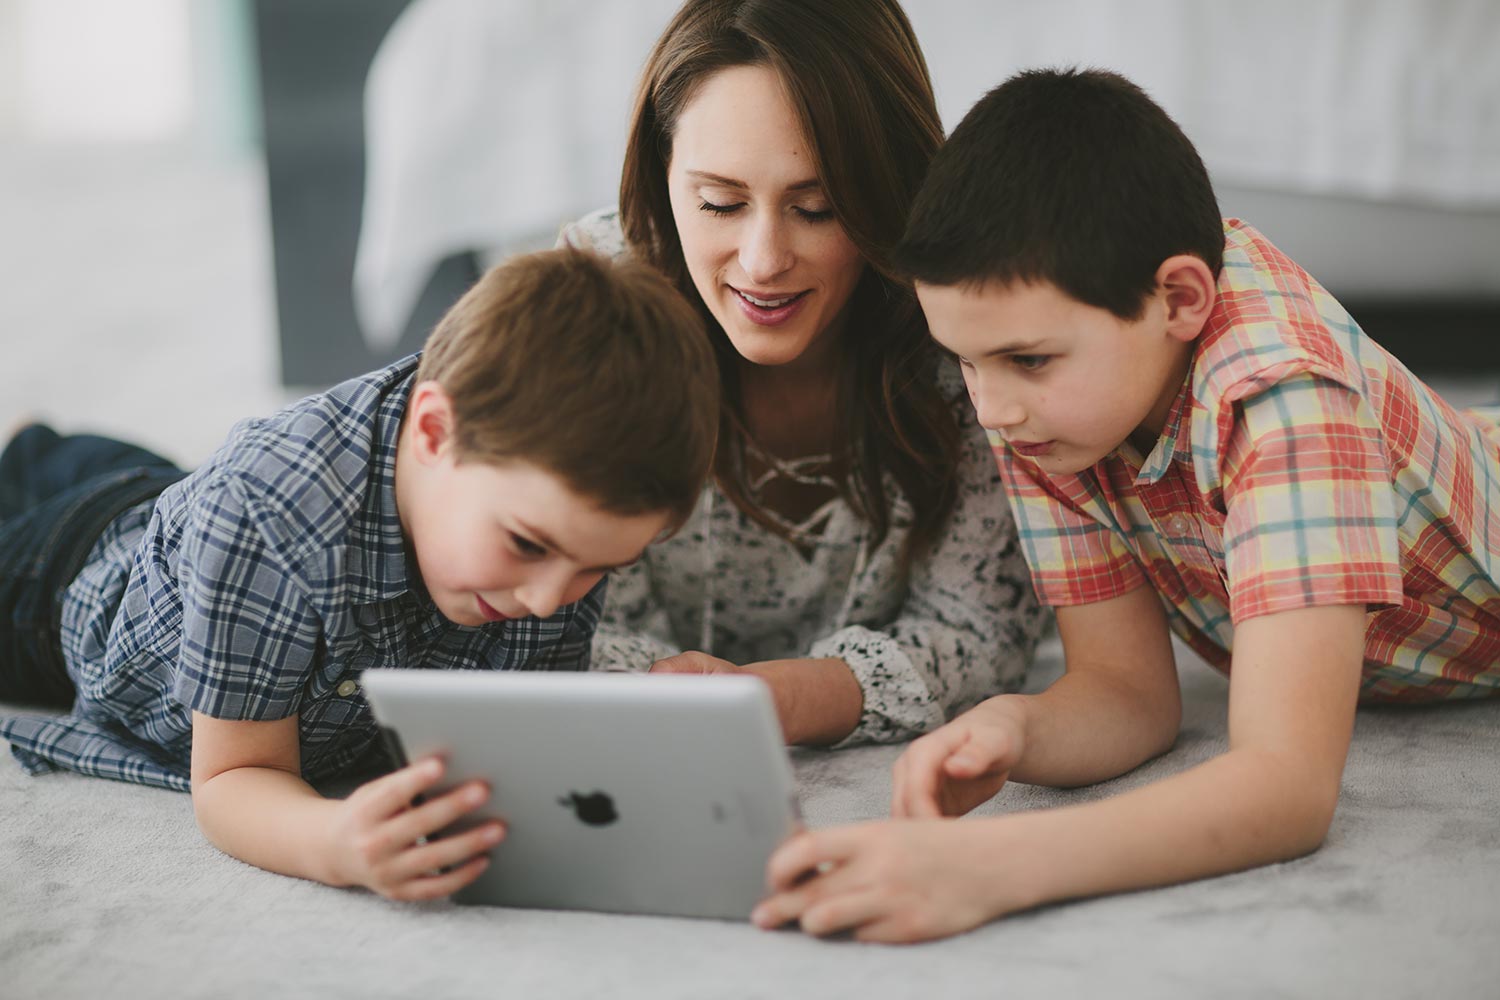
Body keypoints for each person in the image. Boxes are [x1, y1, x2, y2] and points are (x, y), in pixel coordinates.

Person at [752, 68, 1500, 942]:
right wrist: (1015, 724)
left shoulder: (1289, 402)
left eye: (1028, 360)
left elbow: (1287, 790)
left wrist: (992, 868)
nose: (990, 410)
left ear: (1180, 299)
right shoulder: (1047, 408)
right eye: (966, 360)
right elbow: (1127, 691)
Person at [0, 247, 719, 900]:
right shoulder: (267, 511)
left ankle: (33, 444)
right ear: (435, 433)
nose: (547, 599)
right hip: (68, 580)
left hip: (183, 512)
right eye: (527, 546)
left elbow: (517, 730)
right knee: (126, 502)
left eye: (599, 569)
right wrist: (332, 842)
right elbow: (230, 780)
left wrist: (633, 733)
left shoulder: (553, 532)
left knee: (136, 480)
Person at [561, 0, 1045, 748]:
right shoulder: (590, 306)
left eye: (815, 208)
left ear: (887, 196)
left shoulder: (965, 326)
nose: (763, 261)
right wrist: (680, 700)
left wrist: (787, 698)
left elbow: (981, 627)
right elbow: (548, 617)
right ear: (662, 179)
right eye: (720, 203)